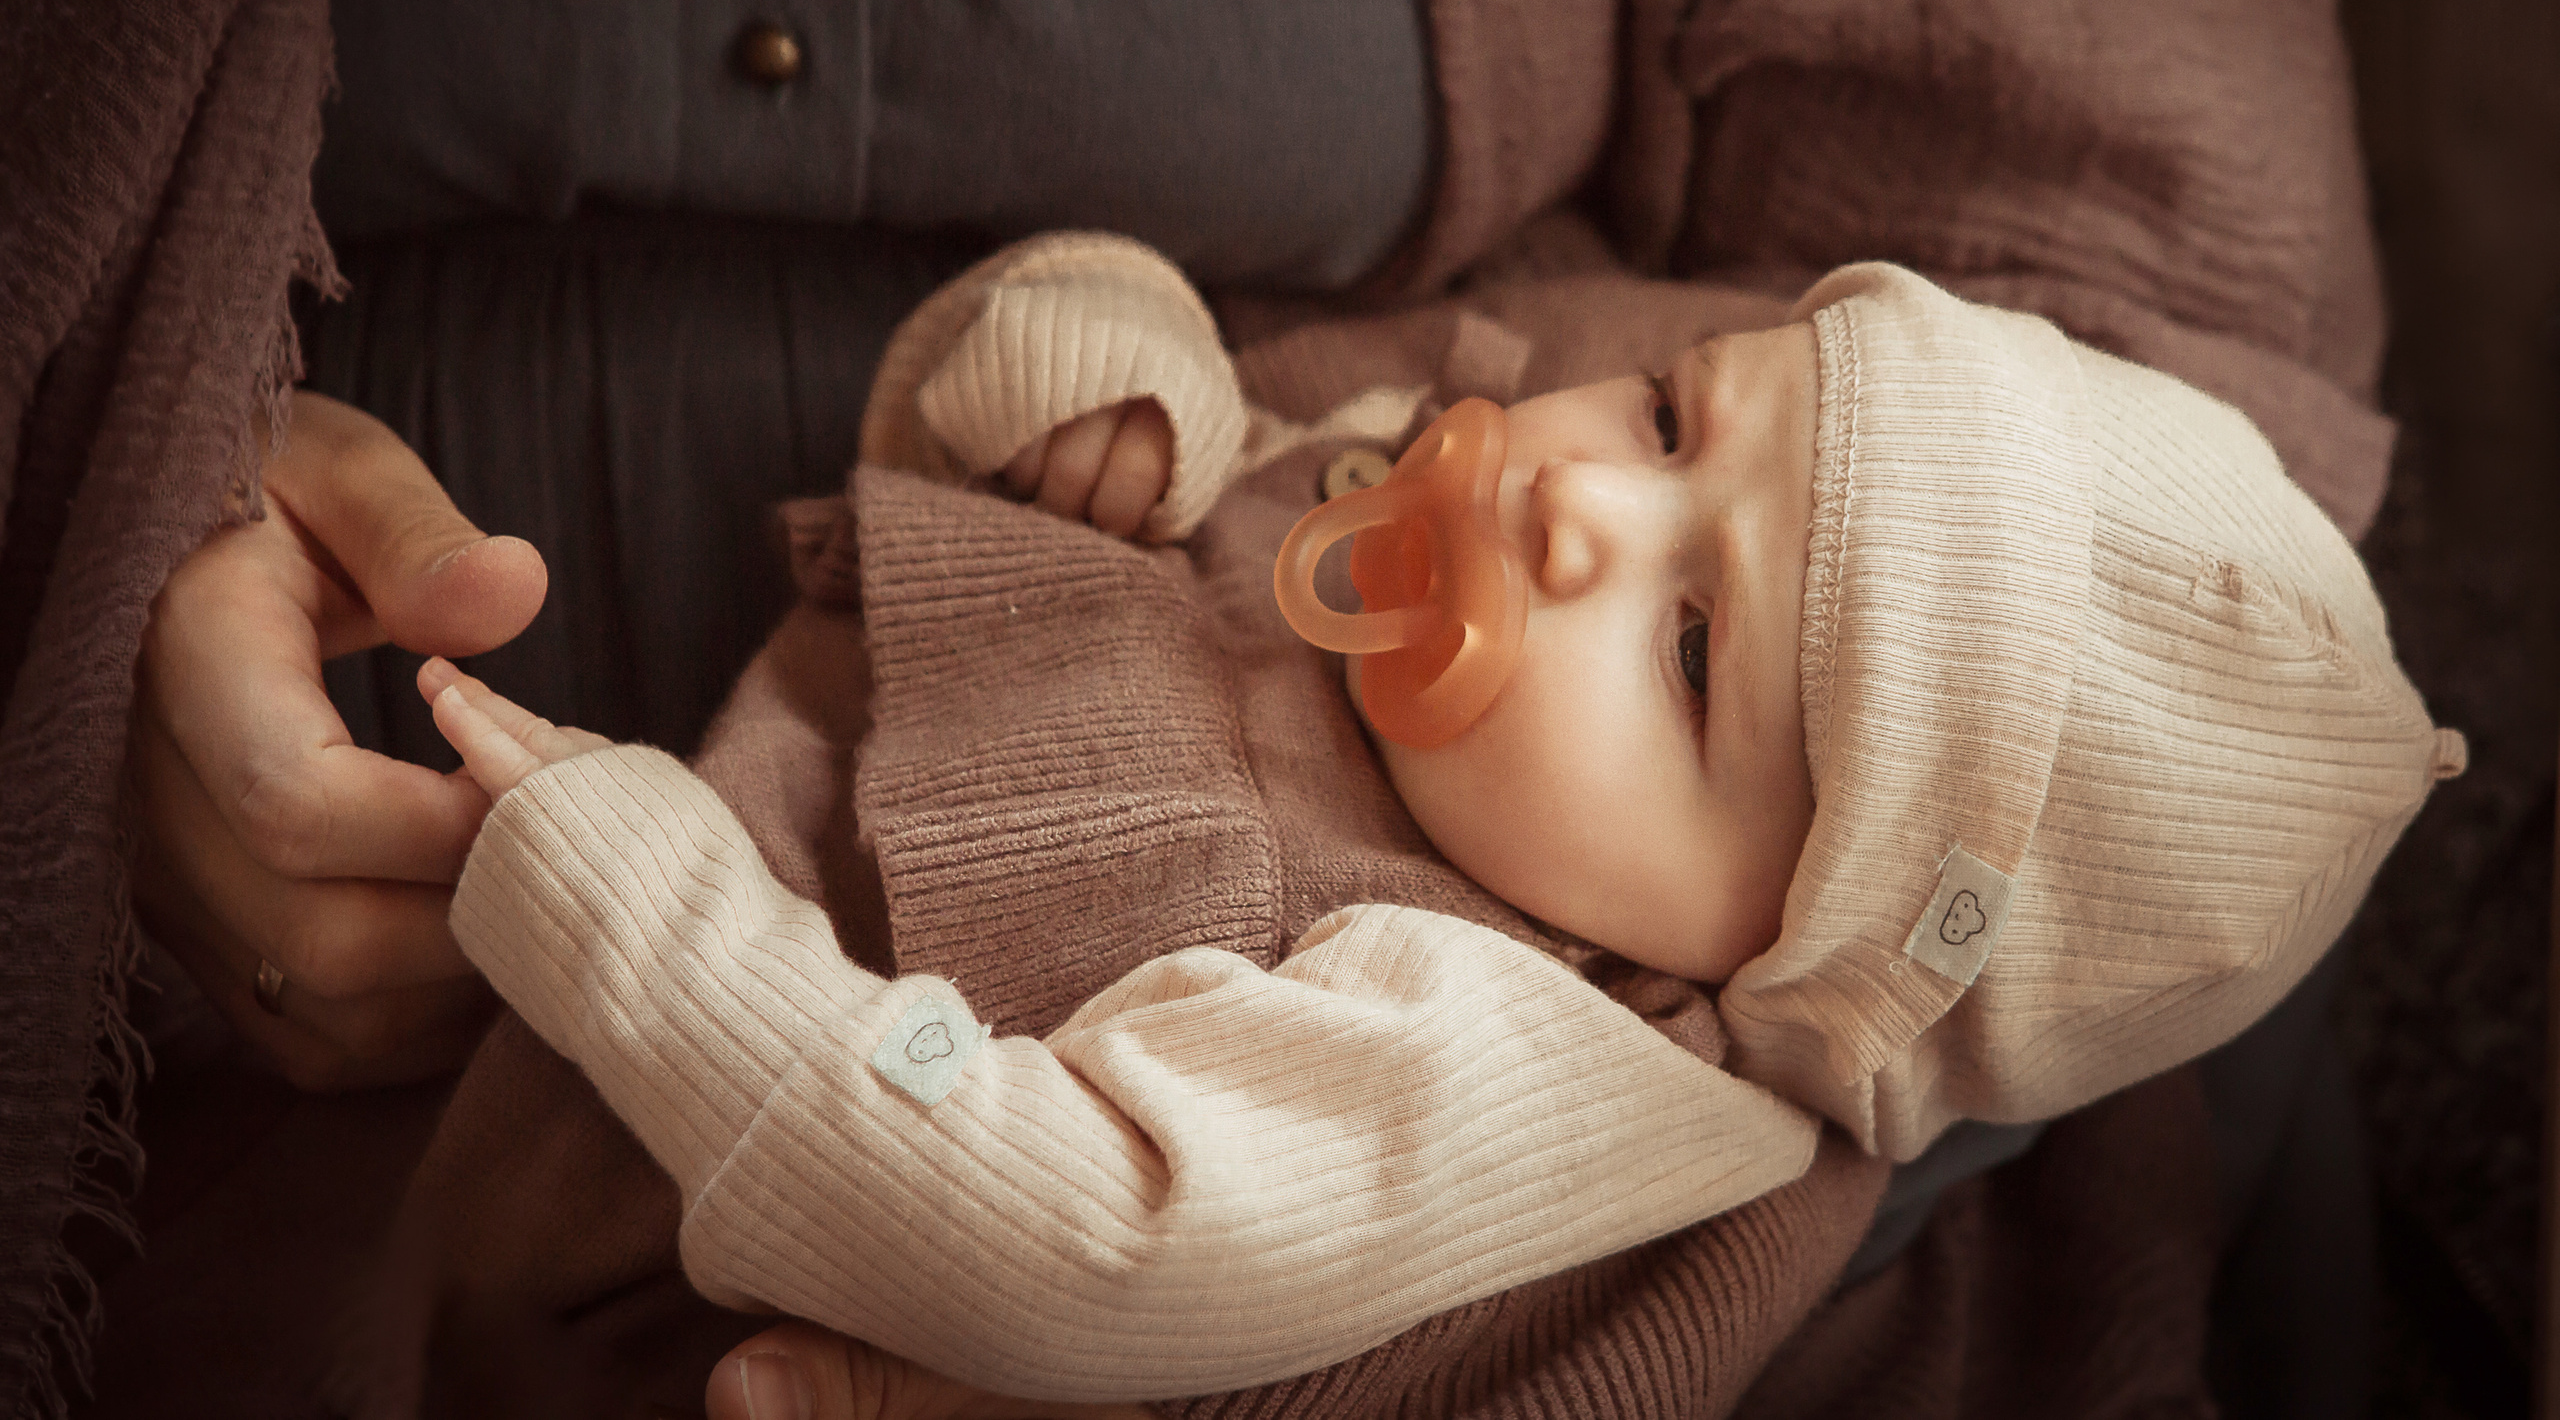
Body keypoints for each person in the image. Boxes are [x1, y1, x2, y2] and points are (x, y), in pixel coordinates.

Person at [404, 236, 2460, 1410]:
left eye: (1685, 652)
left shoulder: (1520, 1044)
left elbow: (1083, 1232)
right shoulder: (1449, 468)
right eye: (1673, 419)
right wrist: (1105, 381)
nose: (1582, 497)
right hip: (617, 877)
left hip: (615, 1208)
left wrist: (649, 908)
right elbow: (1049, 446)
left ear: (1771, 971)